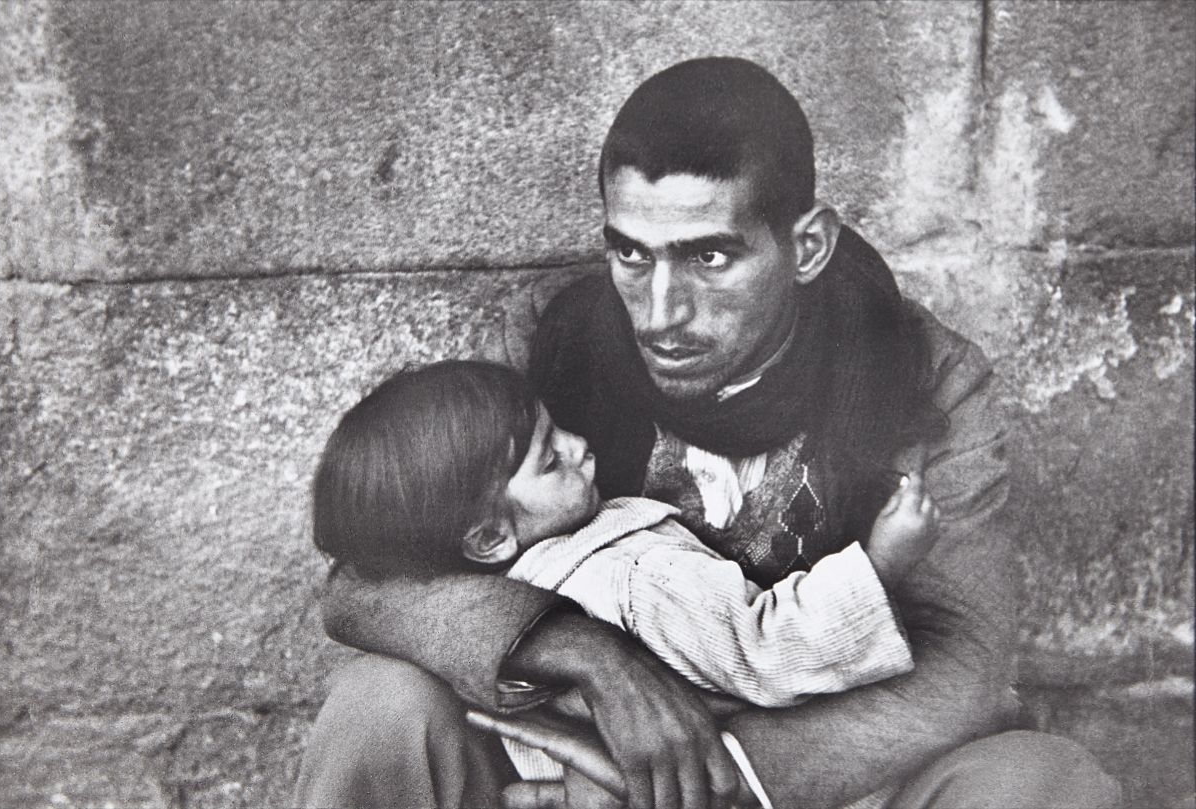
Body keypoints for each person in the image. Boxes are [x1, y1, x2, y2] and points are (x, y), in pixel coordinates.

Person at [296, 58, 1121, 809]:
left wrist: (695, 778)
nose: (659, 313)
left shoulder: (927, 378)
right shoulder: (547, 344)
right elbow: (368, 582)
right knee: (382, 707)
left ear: (806, 247)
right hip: (568, 771)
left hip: (809, 782)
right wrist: (589, 658)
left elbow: (965, 673)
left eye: (709, 258)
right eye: (630, 254)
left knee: (1048, 785)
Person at [307, 359, 941, 805]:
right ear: (488, 539)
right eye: (551, 457)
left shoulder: (497, 598)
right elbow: (765, 650)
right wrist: (880, 568)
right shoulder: (633, 576)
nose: (582, 446)